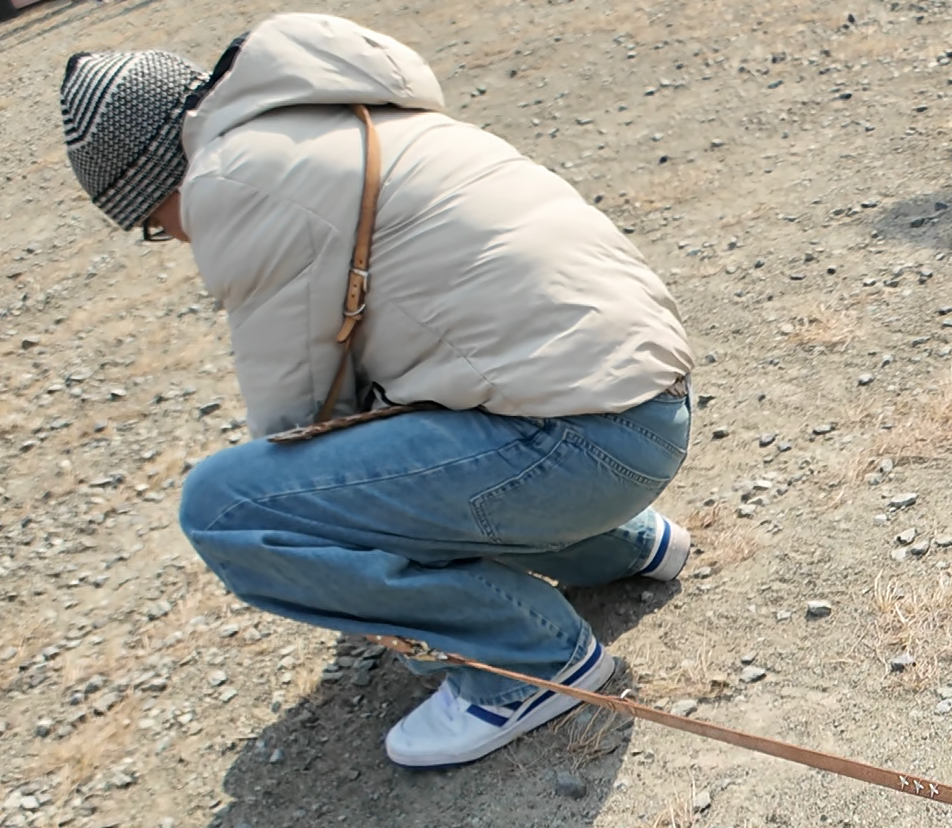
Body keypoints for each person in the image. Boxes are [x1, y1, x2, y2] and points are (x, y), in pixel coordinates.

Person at [58, 13, 700, 768]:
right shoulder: (341, 109)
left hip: (580, 446)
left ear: (153, 181)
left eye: (152, 225)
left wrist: (353, 575)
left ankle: (529, 661)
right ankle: (624, 547)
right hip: (649, 410)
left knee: (226, 508)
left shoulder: (229, 180)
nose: (174, 237)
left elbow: (302, 419)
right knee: (404, 412)